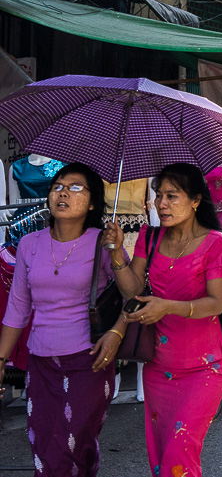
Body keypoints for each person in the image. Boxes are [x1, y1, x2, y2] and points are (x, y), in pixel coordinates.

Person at [105, 163, 222, 477]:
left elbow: (216, 304)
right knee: (163, 458)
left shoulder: (217, 243)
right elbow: (133, 290)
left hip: (203, 368)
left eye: (172, 196)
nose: (161, 204)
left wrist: (167, 307)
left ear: (195, 201)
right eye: (158, 195)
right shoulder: (149, 239)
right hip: (158, 368)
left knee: (179, 455)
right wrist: (115, 255)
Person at [0, 163, 127, 477]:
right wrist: (0, 359)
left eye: (75, 187)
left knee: (71, 445)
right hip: (41, 363)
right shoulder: (29, 244)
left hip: (90, 361)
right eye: (58, 186)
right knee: (45, 446)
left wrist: (116, 332)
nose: (63, 193)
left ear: (93, 203)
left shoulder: (103, 241)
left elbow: (131, 295)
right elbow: (17, 308)